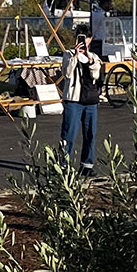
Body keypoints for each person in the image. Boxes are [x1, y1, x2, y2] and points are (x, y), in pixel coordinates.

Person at [59, 27, 104, 172]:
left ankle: (87, 165)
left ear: (90, 39)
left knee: (90, 133)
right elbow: (66, 74)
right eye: (81, 38)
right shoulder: (68, 54)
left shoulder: (94, 56)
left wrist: (89, 58)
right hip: (73, 100)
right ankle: (63, 165)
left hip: (90, 100)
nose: (84, 41)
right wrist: (75, 57)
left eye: (86, 38)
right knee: (69, 133)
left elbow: (96, 75)